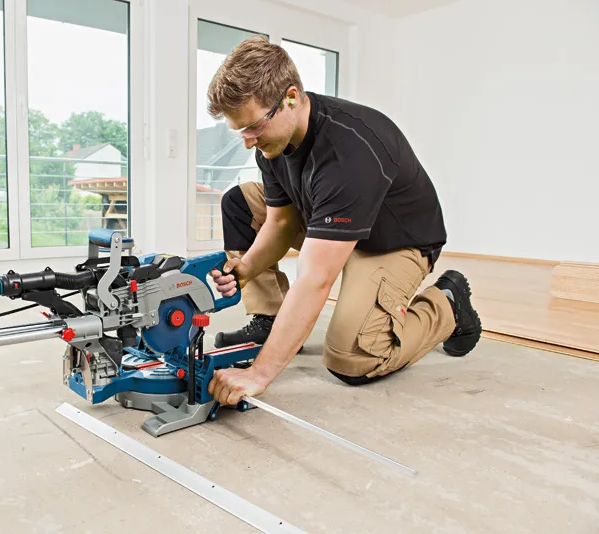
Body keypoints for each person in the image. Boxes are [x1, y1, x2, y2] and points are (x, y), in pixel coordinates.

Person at [205, 36, 481, 406]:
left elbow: (317, 278)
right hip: (328, 221)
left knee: (352, 358)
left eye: (253, 126)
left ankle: (448, 303)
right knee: (239, 202)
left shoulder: (349, 151)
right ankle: (272, 319)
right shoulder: (273, 142)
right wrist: (246, 269)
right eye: (239, 130)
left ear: (290, 97)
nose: (248, 141)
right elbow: (281, 222)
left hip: (393, 241)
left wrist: (260, 373)